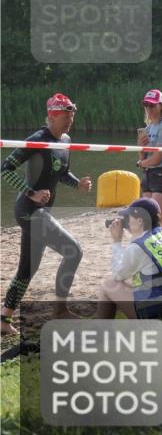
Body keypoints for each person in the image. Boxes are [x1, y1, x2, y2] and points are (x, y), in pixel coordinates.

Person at [1, 94, 92, 335]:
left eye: (72, 115)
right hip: (29, 211)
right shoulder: (37, 140)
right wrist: (30, 192)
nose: (70, 120)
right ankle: (60, 310)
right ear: (52, 116)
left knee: (27, 270)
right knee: (74, 251)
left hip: (41, 212)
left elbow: (62, 172)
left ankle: (3, 319)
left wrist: (77, 185)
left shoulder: (66, 140)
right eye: (65, 116)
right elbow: (5, 168)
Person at [97, 198, 162, 320]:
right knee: (137, 281)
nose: (126, 223)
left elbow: (117, 275)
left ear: (140, 221)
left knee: (108, 285)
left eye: (128, 218)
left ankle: (100, 331)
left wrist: (116, 242)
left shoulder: (138, 246)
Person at [137, 89, 162, 228]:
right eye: (146, 105)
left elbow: (158, 159)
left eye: (152, 105)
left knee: (158, 223)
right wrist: (141, 147)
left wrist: (141, 163)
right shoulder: (148, 128)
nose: (149, 109)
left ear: (161, 106)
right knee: (148, 223)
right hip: (148, 175)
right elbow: (145, 156)